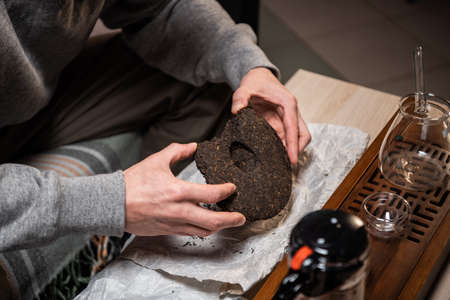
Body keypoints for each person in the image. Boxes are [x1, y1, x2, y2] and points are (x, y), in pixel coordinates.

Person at [0, 0, 310, 298]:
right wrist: (107, 202)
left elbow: (159, 6)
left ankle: (143, 226)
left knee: (214, 78)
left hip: (18, 111)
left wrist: (248, 65)